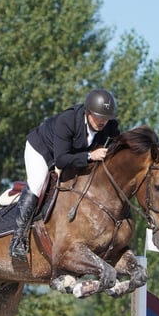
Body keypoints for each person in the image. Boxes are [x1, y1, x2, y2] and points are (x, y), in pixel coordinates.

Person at [9, 89, 121, 260]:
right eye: (99, 117)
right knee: (38, 183)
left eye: (106, 118)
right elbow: (61, 160)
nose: (102, 122)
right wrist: (90, 156)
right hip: (42, 149)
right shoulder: (67, 121)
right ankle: (17, 239)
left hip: (71, 155)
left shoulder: (110, 127)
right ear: (88, 112)